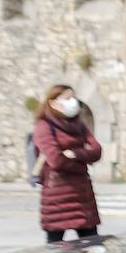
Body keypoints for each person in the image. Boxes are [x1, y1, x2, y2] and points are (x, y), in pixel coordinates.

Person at [31, 84, 102, 242]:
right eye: (68, 98)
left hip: (82, 196)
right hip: (58, 197)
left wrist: (75, 154)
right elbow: (56, 160)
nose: (73, 102)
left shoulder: (79, 124)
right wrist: (83, 161)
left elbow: (97, 151)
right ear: (53, 102)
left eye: (74, 98)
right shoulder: (44, 126)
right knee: (55, 249)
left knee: (92, 247)